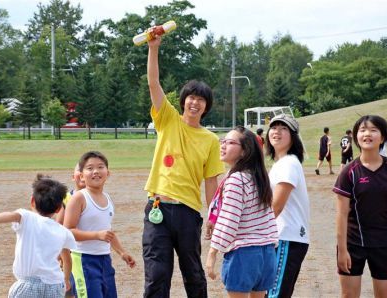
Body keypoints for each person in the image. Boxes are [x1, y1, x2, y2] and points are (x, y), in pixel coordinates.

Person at [143, 32, 225, 297]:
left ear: (206, 107)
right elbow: (153, 83)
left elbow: (212, 181)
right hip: (158, 208)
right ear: (183, 100)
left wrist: (213, 216)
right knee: (157, 275)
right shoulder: (167, 119)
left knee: (193, 273)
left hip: (188, 213)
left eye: (200, 100)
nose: (194, 102)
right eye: (191, 97)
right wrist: (153, 48)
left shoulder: (211, 139)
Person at [0, 174, 76, 298]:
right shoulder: (63, 231)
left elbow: (9, 215)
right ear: (58, 208)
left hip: (28, 285)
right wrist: (66, 279)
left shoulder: (27, 217)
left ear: (32, 201)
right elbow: (67, 259)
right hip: (54, 285)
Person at [333, 115, 387, 298]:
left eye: (373, 130)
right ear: (356, 136)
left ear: (382, 137)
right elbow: (341, 215)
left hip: (384, 244)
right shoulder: (348, 172)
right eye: (363, 130)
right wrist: (342, 250)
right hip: (353, 245)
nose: (367, 134)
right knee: (349, 295)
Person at [205, 126, 278, 298]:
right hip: (266, 254)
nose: (223, 145)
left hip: (244, 255)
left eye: (230, 143)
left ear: (244, 152)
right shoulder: (257, 176)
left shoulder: (237, 180)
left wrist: (212, 252)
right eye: (223, 141)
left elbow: (229, 221)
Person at [64, 151, 136, 298]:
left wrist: (122, 252)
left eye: (100, 167)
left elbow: (108, 232)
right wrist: (97, 235)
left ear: (108, 173)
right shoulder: (79, 198)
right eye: (90, 168)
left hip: (104, 260)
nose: (96, 171)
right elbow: (67, 232)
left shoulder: (107, 198)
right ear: (82, 175)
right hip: (83, 260)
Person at [265, 114, 310, 298]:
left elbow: (276, 206)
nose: (277, 131)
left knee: (275, 294)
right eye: (274, 127)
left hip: (287, 237)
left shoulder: (289, 163)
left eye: (283, 128)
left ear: (293, 136)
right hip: (280, 237)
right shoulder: (280, 164)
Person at [56, 163, 86, 298]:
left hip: (88, 251)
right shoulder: (66, 198)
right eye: (79, 170)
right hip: (71, 252)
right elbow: (59, 225)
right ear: (73, 176)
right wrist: (60, 252)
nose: (81, 173)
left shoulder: (97, 197)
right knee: (70, 288)